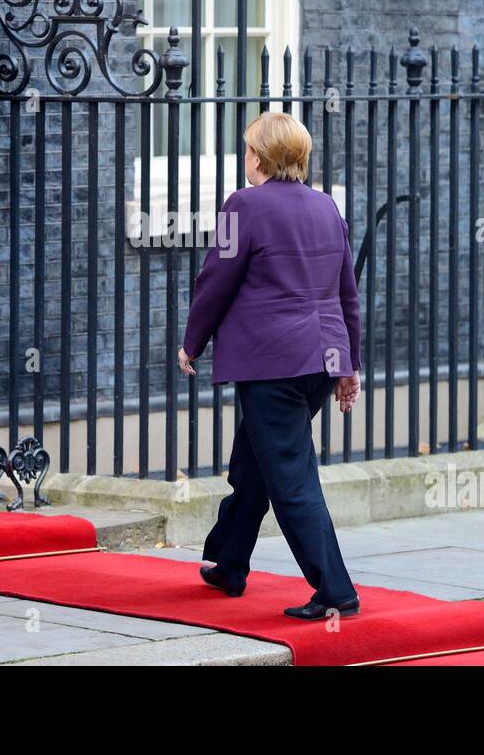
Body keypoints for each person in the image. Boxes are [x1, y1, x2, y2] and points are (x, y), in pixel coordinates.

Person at [177, 111, 363, 620]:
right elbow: (347, 293)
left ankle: (335, 590)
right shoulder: (327, 207)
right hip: (319, 363)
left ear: (257, 156)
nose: (245, 156)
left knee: (292, 479)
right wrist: (349, 365)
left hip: (272, 365)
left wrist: (192, 341)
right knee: (256, 464)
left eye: (247, 149)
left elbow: (216, 279)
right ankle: (230, 563)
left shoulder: (244, 205)